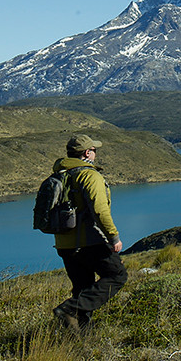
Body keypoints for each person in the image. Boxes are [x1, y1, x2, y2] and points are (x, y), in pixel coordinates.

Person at [51, 134, 128, 330]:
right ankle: (69, 309)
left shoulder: (60, 175)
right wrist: (114, 237)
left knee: (82, 289)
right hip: (89, 242)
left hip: (64, 244)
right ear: (87, 153)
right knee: (117, 276)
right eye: (94, 150)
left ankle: (79, 336)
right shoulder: (89, 175)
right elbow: (100, 210)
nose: (95, 153)